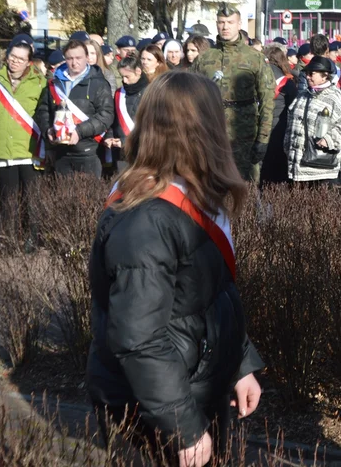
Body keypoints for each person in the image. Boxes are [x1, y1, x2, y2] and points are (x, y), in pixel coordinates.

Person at [88, 71, 264, 467]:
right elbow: (139, 338)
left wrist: (240, 364)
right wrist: (181, 426)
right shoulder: (148, 218)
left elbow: (211, 297)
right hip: (153, 405)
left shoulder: (192, 191)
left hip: (189, 386)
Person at [190, 6, 274, 181]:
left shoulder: (254, 58)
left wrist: (263, 139)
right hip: (210, 134)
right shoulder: (205, 59)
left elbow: (267, 101)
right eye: (221, 22)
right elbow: (190, 97)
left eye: (230, 22)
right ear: (216, 25)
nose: (225, 27)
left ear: (239, 24)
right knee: (210, 188)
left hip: (244, 135)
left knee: (245, 190)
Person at [0, 34, 45, 238]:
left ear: (29, 62)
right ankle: (9, 238)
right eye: (13, 56)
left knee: (31, 198)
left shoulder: (40, 82)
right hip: (3, 148)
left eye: (21, 59)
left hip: (29, 148)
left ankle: (32, 236)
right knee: (7, 198)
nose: (15, 61)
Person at [34, 39, 115, 177]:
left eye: (78, 58)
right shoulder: (54, 83)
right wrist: (48, 129)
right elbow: (43, 110)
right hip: (61, 152)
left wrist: (79, 131)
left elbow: (106, 115)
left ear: (87, 58)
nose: (74, 62)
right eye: (70, 58)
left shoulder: (99, 83)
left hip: (88, 151)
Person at [284, 56, 341, 186]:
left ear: (325, 76)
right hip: (298, 166)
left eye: (312, 74)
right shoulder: (302, 96)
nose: (308, 76)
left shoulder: (333, 97)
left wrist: (328, 140)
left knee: (321, 204)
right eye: (306, 73)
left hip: (322, 169)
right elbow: (290, 124)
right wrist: (287, 147)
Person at [260, 46, 298, 185]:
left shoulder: (258, 77)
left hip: (259, 127)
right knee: (278, 171)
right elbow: (293, 107)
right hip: (279, 128)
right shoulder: (287, 82)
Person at [103, 55, 147, 172]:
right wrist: (110, 137)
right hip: (121, 153)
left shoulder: (150, 93)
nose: (124, 81)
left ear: (138, 71)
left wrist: (125, 141)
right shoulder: (119, 93)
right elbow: (113, 120)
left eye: (127, 76)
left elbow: (152, 124)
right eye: (122, 77)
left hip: (144, 150)